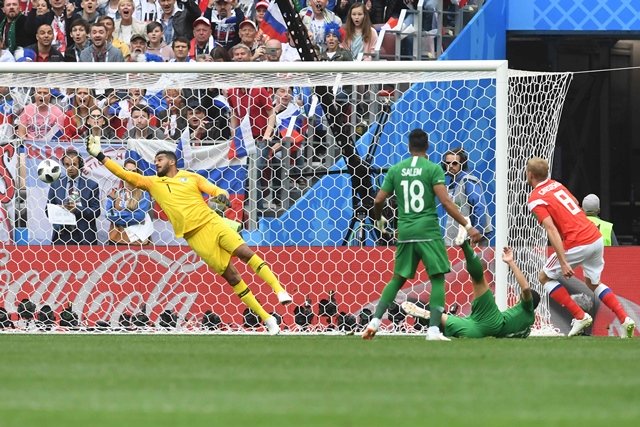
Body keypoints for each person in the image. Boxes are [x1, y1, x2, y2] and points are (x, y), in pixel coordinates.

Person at [85, 138, 292, 334]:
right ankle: (267, 319)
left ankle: (279, 289)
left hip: (212, 222)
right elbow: (125, 175)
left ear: (172, 161)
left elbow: (217, 190)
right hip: (194, 237)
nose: (156, 163)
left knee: (244, 252)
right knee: (232, 276)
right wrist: (100, 155)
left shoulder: (191, 177)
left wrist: (221, 196)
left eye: (160, 159)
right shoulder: (152, 183)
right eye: (155, 160)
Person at [361, 128, 481, 341]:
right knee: (436, 278)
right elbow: (446, 202)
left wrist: (379, 219)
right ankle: (433, 330)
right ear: (427, 147)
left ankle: (375, 321)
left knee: (397, 279)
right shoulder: (433, 169)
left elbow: (378, 200)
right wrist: (467, 224)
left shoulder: (397, 169)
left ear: (409, 147)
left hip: (405, 231)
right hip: (428, 231)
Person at [526, 157, 635, 338]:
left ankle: (580, 316)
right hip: (594, 237)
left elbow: (551, 229)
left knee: (544, 277)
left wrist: (563, 261)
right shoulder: (557, 185)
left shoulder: (535, 198)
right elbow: (575, 202)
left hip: (578, 242)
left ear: (530, 174)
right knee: (593, 283)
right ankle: (625, 319)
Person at [402, 245, 540, 338]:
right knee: (450, 321)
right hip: (476, 330)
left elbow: (526, 288)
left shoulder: (526, 308)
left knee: (478, 279)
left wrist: (511, 262)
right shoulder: (527, 323)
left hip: (492, 320)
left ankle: (465, 245)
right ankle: (431, 316)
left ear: (527, 301)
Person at [46, 148, 101, 245]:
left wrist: (76, 209)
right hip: (61, 236)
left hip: (83, 237)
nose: (70, 168)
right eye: (67, 165)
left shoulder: (91, 185)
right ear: (63, 165)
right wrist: (58, 210)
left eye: (74, 164)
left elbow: (96, 212)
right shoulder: (56, 184)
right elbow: (48, 209)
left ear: (80, 164)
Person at [442, 147, 493, 245]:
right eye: (448, 163)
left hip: (472, 240)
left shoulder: (468, 181)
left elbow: (479, 206)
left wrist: (477, 232)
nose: (451, 166)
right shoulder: (453, 183)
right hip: (459, 240)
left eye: (455, 163)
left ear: (462, 164)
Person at [106, 159, 153, 245]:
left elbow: (139, 216)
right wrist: (130, 215)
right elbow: (108, 214)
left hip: (137, 241)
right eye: (127, 171)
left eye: (133, 171)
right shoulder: (115, 193)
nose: (130, 174)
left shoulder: (144, 194)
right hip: (116, 240)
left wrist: (118, 215)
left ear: (138, 173)